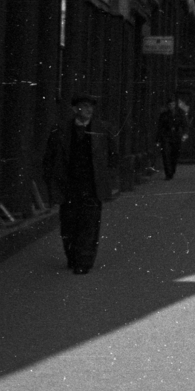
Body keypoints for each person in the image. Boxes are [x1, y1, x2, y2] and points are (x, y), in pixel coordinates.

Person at [43, 93, 115, 274]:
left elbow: (113, 157)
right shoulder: (60, 130)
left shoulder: (103, 129)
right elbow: (49, 159)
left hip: (92, 186)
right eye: (84, 106)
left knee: (89, 224)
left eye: (91, 106)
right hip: (69, 186)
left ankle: (84, 262)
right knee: (68, 223)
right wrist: (51, 183)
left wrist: (105, 178)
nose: (89, 110)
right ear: (75, 109)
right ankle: (72, 257)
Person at [155, 98, 186, 180]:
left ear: (175, 105)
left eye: (172, 104)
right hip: (166, 136)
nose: (171, 106)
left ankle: (172, 170)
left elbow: (185, 124)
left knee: (174, 155)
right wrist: (158, 139)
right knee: (166, 154)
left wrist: (184, 134)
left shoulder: (180, 113)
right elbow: (160, 127)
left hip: (176, 136)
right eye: (169, 105)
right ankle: (168, 173)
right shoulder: (164, 115)